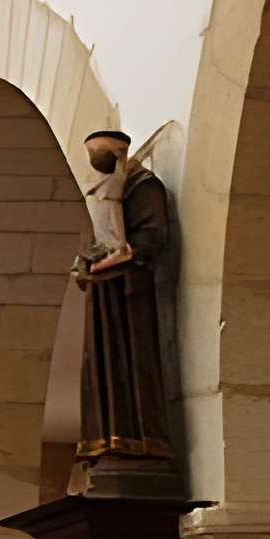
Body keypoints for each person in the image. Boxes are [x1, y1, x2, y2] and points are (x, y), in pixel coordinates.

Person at [70, 127, 180, 492]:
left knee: (129, 364)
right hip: (105, 294)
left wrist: (116, 259)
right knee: (99, 365)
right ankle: (105, 440)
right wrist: (86, 262)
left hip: (131, 294)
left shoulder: (142, 187)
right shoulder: (106, 191)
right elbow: (98, 237)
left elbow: (152, 238)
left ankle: (137, 441)